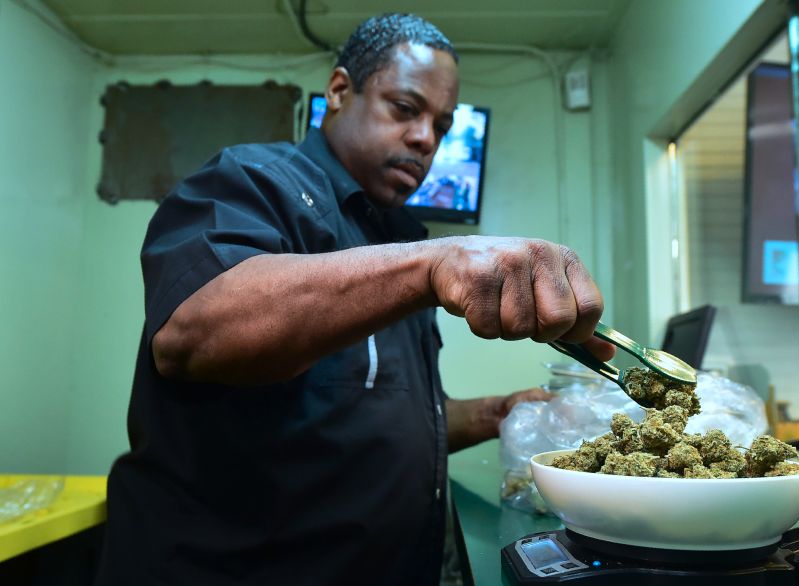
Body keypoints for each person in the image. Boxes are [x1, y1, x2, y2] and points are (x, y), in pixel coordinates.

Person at [96, 13, 614, 586]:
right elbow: (195, 332)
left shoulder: (395, 236)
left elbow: (378, 412)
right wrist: (438, 261)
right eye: (405, 109)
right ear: (340, 92)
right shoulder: (252, 179)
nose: (426, 140)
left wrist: (504, 411)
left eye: (442, 125)